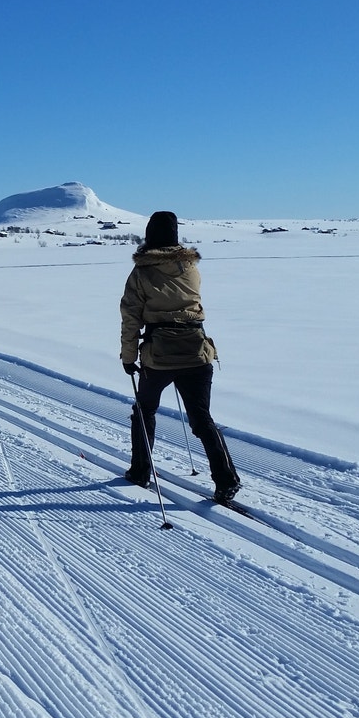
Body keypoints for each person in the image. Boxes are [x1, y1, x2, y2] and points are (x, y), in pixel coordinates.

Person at [119, 210, 241, 503]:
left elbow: (131, 317)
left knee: (145, 410)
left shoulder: (142, 272)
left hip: (158, 354)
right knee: (202, 418)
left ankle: (140, 471)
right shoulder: (190, 266)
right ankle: (226, 479)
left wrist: (128, 355)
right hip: (197, 350)